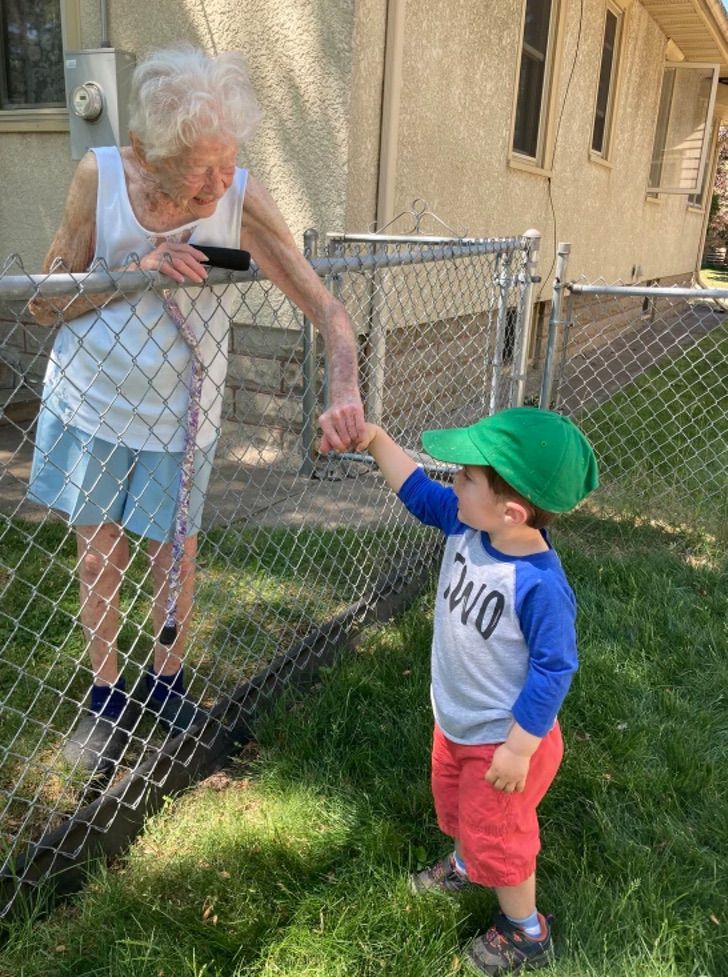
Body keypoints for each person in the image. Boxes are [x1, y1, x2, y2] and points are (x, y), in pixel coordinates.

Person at [27, 45, 364, 777]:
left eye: (229, 161)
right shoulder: (103, 178)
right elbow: (44, 301)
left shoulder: (240, 196)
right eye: (200, 170)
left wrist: (345, 387)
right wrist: (132, 274)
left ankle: (167, 679)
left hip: (182, 415)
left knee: (174, 553)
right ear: (148, 152)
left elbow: (329, 310)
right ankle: (106, 694)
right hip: (94, 398)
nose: (219, 185)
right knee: (99, 554)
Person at [352, 407, 598, 976]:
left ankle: (526, 930)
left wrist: (518, 748)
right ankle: (466, 861)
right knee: (462, 808)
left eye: (464, 477)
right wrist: (374, 438)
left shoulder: (539, 586)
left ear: (512, 510)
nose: (452, 483)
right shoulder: (470, 523)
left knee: (505, 840)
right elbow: (415, 490)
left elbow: (553, 670)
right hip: (457, 721)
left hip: (503, 741)